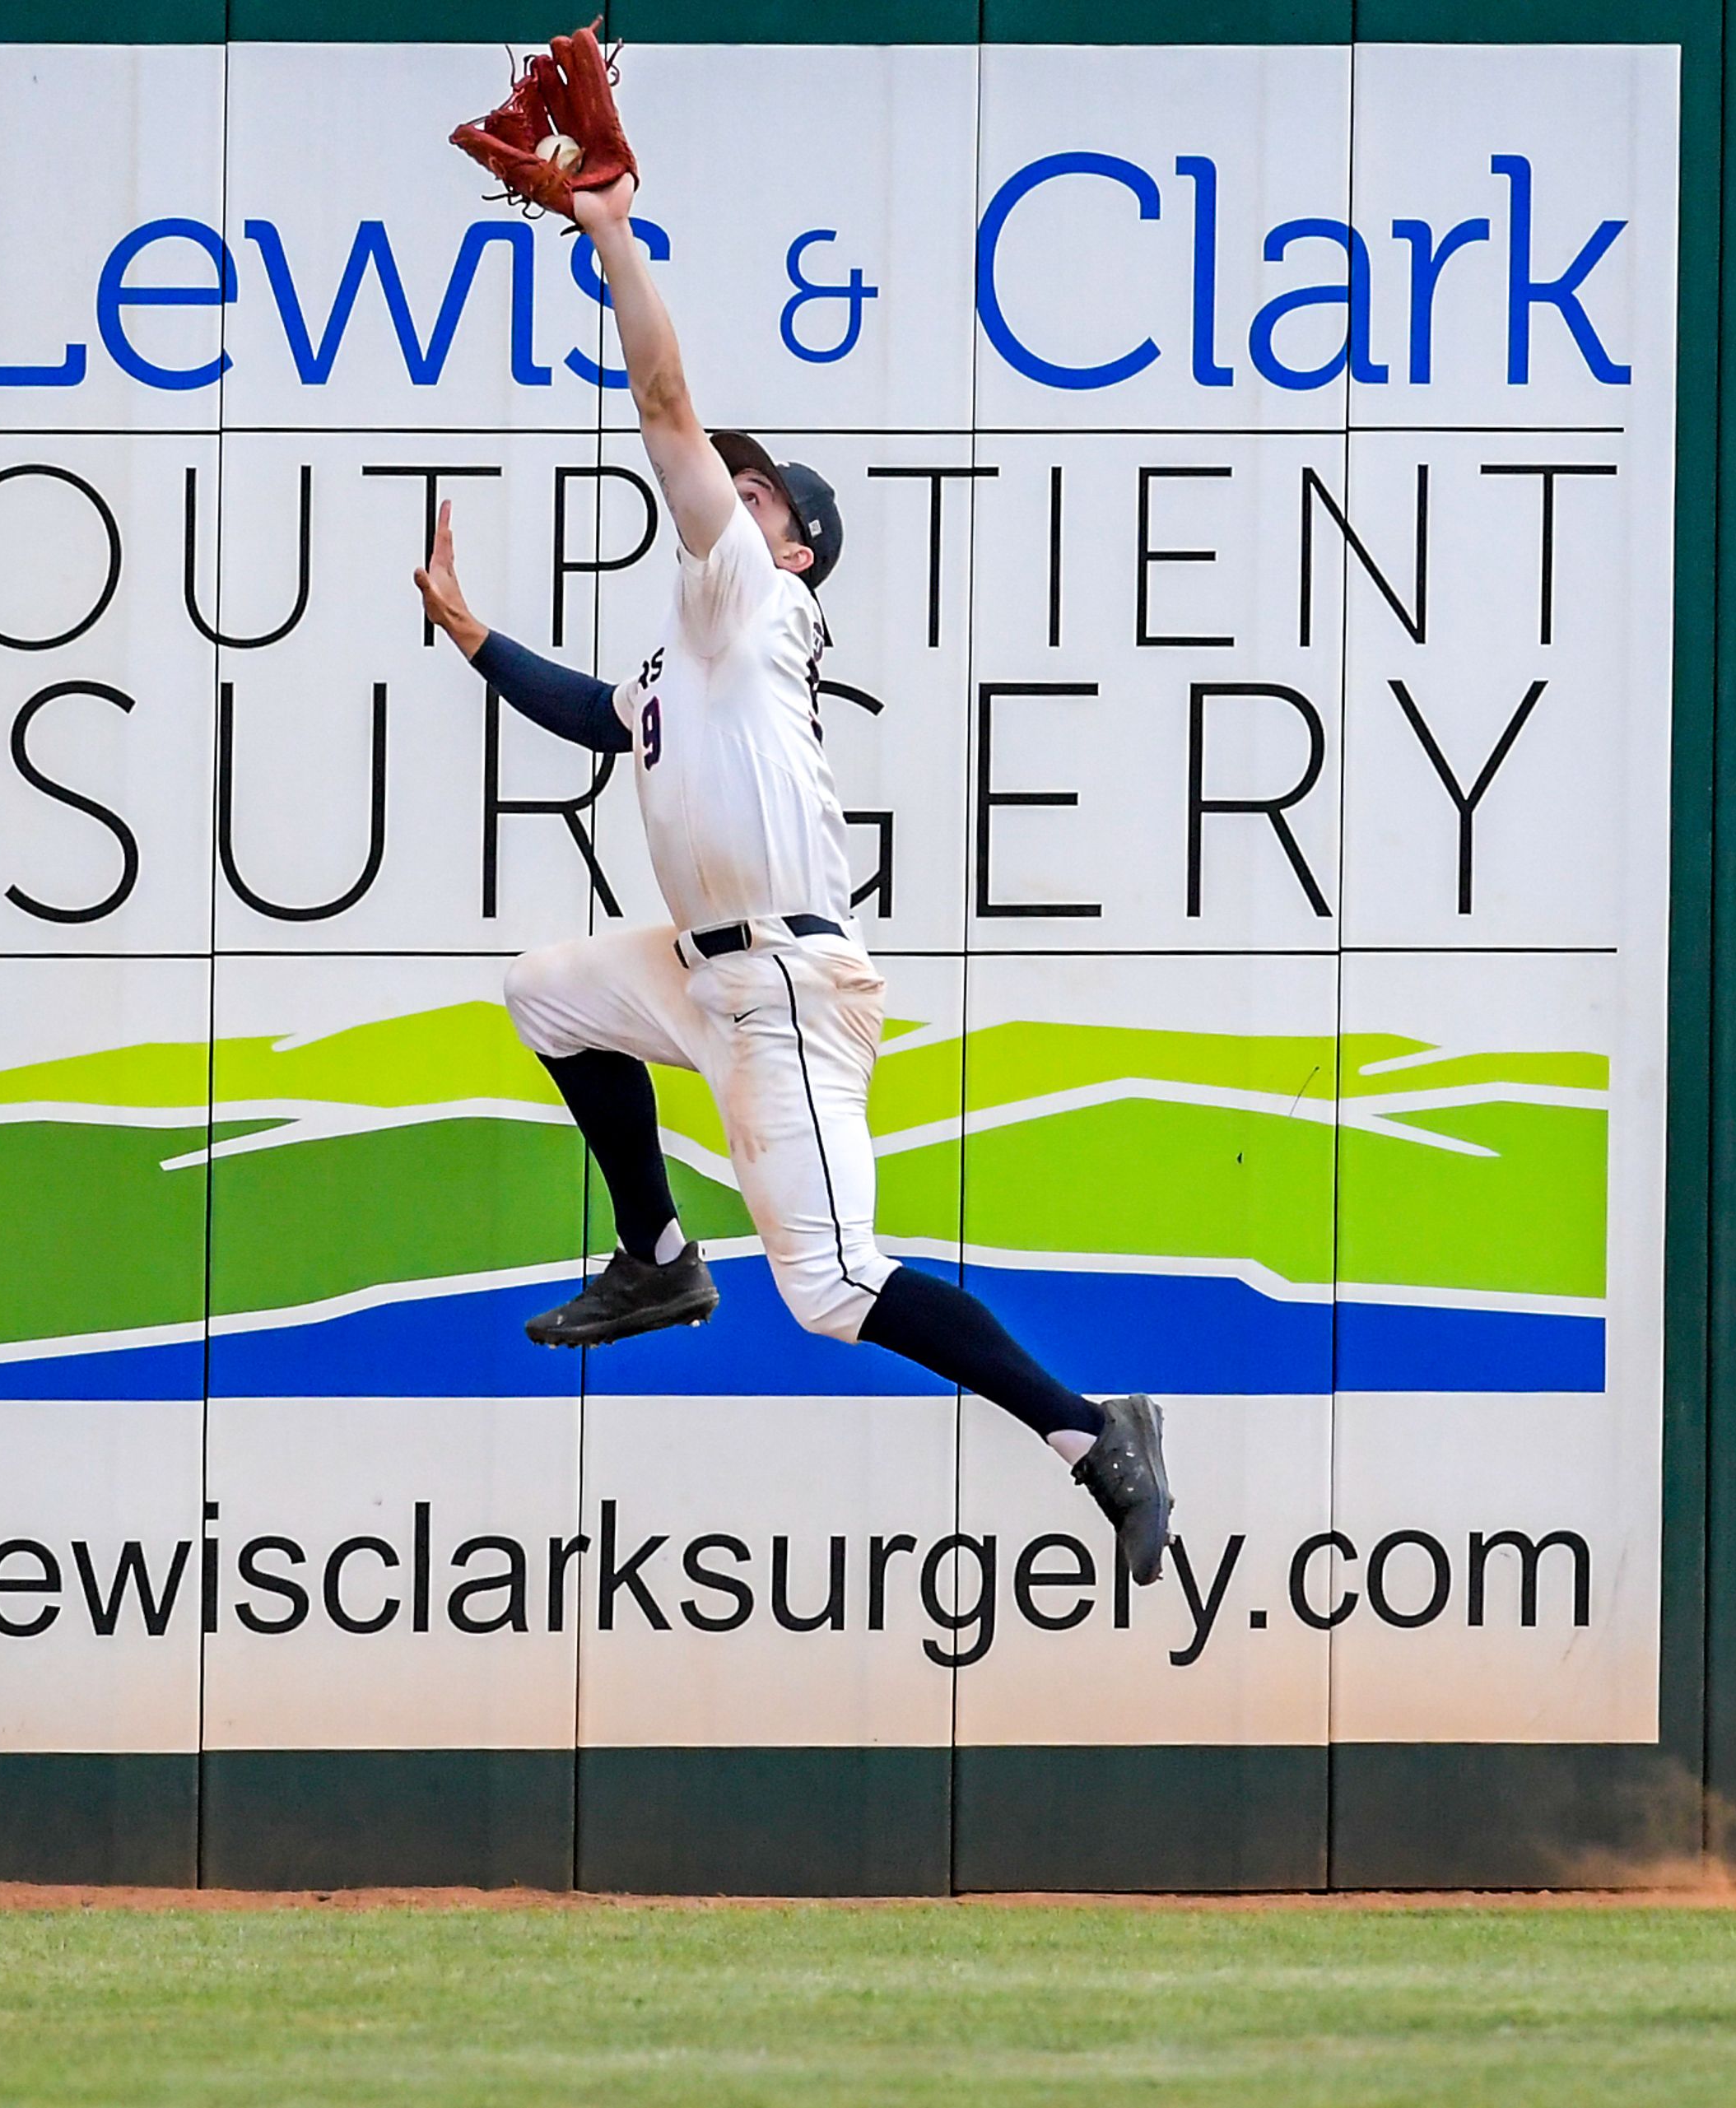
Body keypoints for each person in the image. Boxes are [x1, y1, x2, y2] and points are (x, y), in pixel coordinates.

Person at [410, 168, 1173, 1584]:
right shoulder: (683, 656)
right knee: (546, 994)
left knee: (830, 1288)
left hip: (784, 990)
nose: (725, 492)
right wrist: (468, 634)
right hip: (704, 964)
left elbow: (661, 402)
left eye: (753, 492)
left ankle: (1088, 1430)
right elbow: (597, 713)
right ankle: (657, 1252)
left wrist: (611, 231)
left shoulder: (755, 597)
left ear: (796, 546)